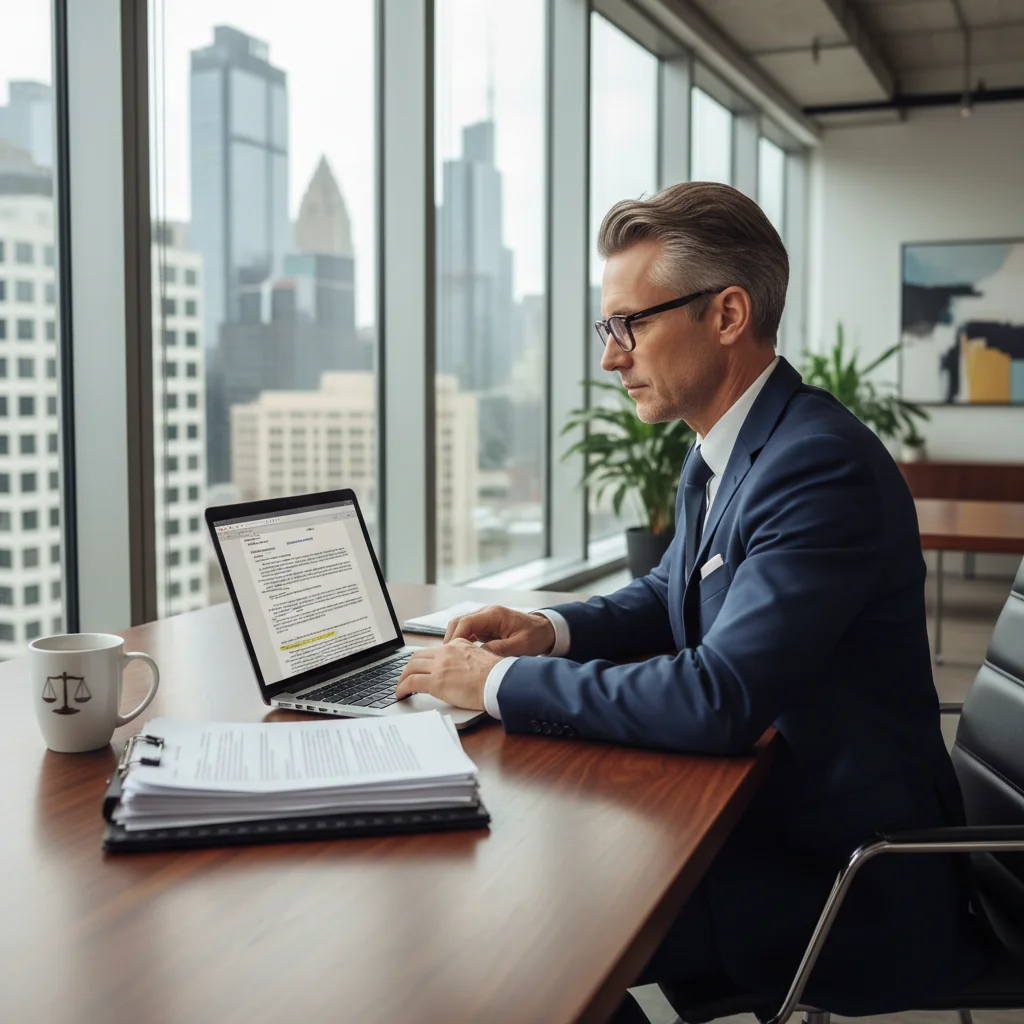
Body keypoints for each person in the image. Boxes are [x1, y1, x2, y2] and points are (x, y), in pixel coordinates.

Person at [396, 182, 975, 1018]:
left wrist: (487, 685)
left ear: (728, 315)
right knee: (530, 916)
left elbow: (718, 697)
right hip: (775, 821)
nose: (611, 354)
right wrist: (545, 631)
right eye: (609, 326)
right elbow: (670, 591)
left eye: (630, 323)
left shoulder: (817, 465)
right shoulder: (728, 448)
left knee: (525, 942)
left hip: (846, 874)